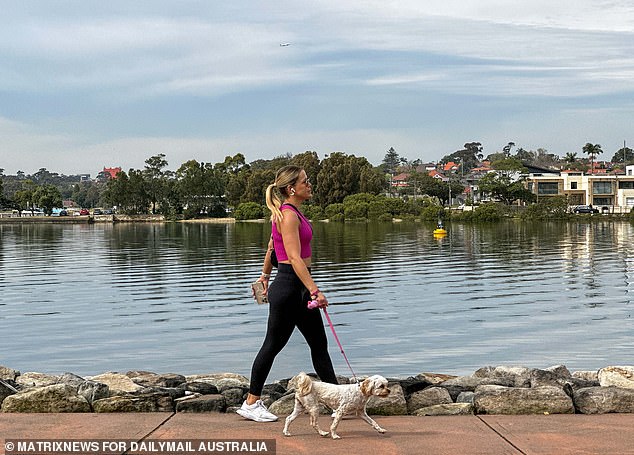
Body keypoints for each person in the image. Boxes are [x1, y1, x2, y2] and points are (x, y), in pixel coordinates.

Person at [236, 165, 338, 422]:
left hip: (296, 288)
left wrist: (264, 276)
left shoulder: (290, 213)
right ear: (292, 188)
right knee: (272, 345)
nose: (310, 184)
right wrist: (315, 290)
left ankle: (337, 399)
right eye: (306, 181)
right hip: (291, 289)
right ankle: (251, 403)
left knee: (319, 345)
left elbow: (272, 248)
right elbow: (292, 256)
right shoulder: (288, 215)